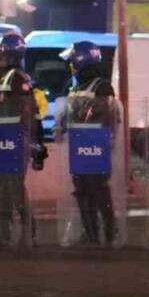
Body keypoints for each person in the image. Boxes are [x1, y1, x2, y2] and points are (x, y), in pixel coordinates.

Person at [0, 33, 48, 247]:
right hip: (2, 140)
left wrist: (36, 143)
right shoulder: (7, 78)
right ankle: (4, 233)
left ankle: (28, 230)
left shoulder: (18, 78)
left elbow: (31, 114)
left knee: (13, 187)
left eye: (1, 53)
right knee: (1, 188)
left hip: (13, 139)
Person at [60, 41, 117, 246]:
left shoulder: (102, 86)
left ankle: (110, 231)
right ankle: (91, 233)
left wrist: (106, 143)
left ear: (81, 60)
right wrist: (61, 125)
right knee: (82, 190)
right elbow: (68, 114)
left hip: (96, 146)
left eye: (72, 60)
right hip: (78, 146)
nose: (71, 65)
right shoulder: (76, 87)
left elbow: (110, 117)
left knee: (98, 189)